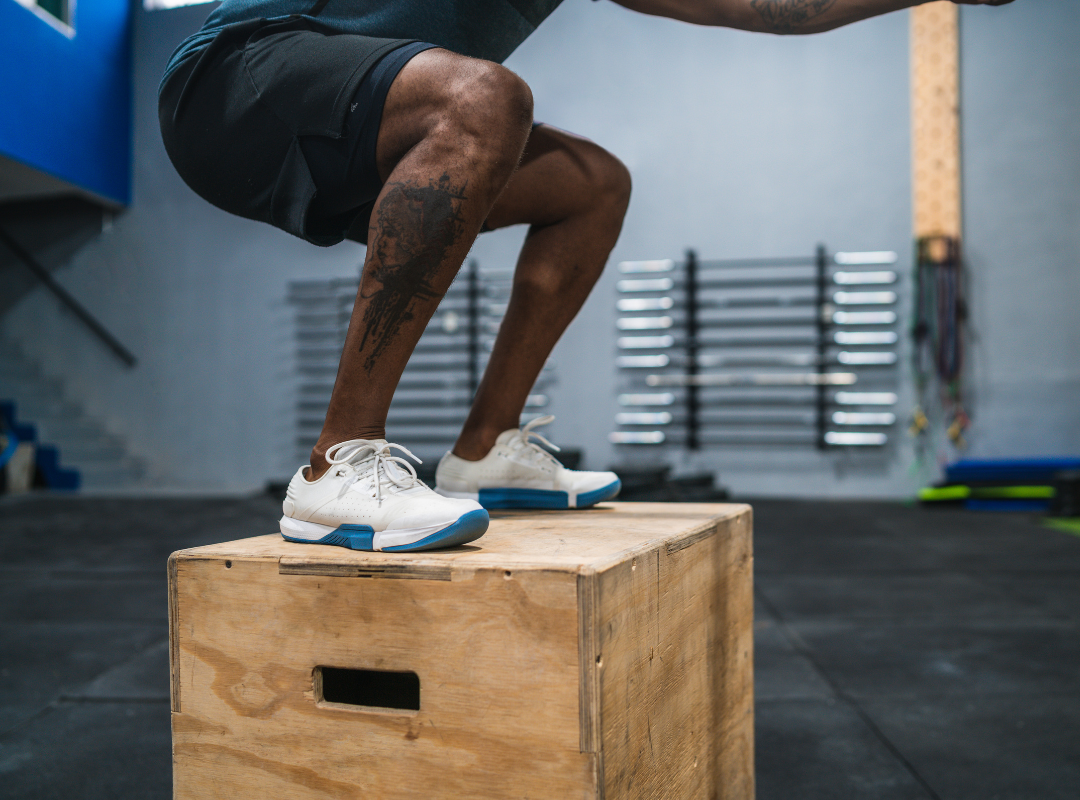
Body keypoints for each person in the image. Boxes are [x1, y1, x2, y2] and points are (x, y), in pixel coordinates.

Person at [159, 0, 1013, 552]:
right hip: (231, 82)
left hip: (360, 126)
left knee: (593, 185)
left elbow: (774, 8)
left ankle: (486, 449)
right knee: (486, 98)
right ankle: (335, 469)